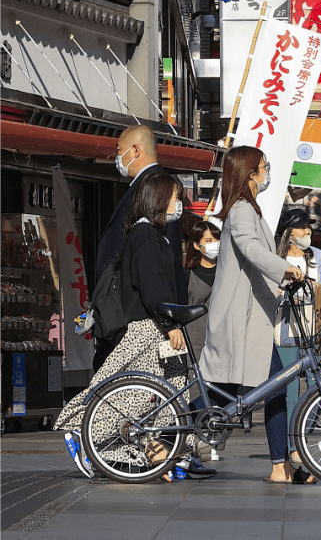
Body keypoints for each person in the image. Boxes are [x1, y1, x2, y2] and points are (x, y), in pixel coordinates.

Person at [55, 172, 214, 481]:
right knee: (142, 395)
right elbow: (154, 289)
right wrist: (170, 325)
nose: (179, 204)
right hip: (150, 329)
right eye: (174, 198)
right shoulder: (147, 237)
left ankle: (172, 454)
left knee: (170, 392)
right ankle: (85, 433)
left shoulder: (151, 235)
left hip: (153, 326)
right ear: (157, 201)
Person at [198, 147, 308, 484]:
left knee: (234, 388)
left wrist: (276, 280)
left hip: (249, 319)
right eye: (264, 167)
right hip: (239, 320)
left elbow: (251, 258)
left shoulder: (248, 208)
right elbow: (251, 248)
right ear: (249, 174)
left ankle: (281, 465)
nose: (267, 173)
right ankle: (280, 466)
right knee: (265, 385)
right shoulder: (243, 209)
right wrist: (284, 267)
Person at [93, 125, 186, 371]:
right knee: (144, 387)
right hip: (141, 316)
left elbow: (160, 272)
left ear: (135, 150)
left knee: (146, 385)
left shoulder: (152, 186)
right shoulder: (146, 206)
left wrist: (170, 319)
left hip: (139, 314)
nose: (117, 158)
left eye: (119, 151)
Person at [274, 208, 321, 476]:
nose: (308, 233)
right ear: (289, 231)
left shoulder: (319, 258)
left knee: (315, 386)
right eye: (302, 228)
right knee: (289, 389)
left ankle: (301, 437)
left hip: (314, 331)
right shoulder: (276, 259)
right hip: (284, 330)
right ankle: (290, 444)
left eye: (309, 228)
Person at [184, 220, 221, 358]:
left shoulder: (227, 272)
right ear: (196, 245)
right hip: (194, 340)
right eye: (209, 240)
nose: (215, 244)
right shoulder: (187, 274)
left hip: (222, 339)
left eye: (218, 239)